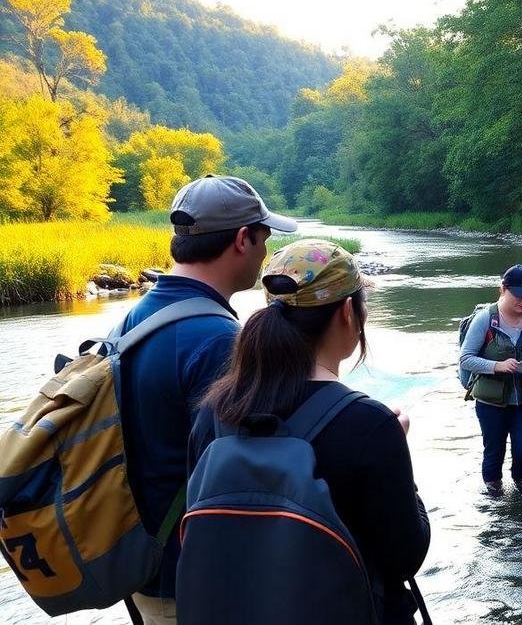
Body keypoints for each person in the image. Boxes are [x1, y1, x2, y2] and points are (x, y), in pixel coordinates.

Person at [188, 239, 431, 624]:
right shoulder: (370, 425)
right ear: (349, 312)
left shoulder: (215, 413)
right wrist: (401, 458)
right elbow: (404, 557)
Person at [117, 175, 296, 623]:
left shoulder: (137, 316)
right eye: (265, 237)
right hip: (194, 582)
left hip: (145, 565)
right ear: (242, 240)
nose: (266, 250)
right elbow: (243, 475)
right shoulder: (217, 339)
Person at [459, 264, 522, 494]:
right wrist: (497, 366)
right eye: (518, 295)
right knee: (494, 451)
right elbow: (466, 358)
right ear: (503, 289)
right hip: (491, 403)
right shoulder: (485, 319)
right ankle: (494, 499)